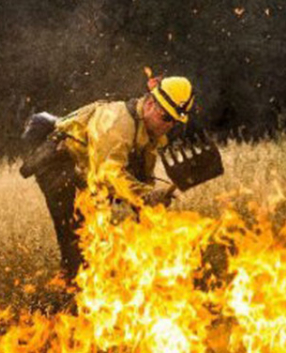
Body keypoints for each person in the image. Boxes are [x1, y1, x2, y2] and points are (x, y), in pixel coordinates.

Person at [21, 73, 195, 280]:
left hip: (87, 170)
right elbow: (107, 174)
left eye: (175, 121)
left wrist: (150, 203)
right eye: (166, 117)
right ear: (150, 104)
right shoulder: (118, 123)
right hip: (58, 162)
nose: (169, 125)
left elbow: (143, 175)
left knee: (107, 233)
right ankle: (70, 288)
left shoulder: (152, 133)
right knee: (79, 238)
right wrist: (145, 195)